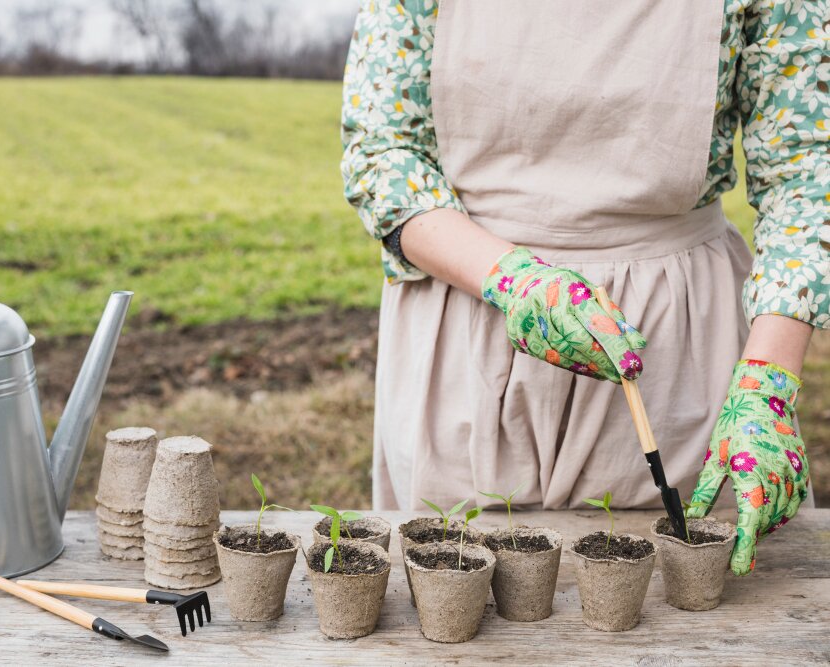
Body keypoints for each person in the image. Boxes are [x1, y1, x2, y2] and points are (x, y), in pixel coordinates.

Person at [340, 0, 827, 575]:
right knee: (455, 607)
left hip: (682, 346)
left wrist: (769, 383)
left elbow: (809, 171)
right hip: (469, 319)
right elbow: (383, 152)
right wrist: (511, 279)